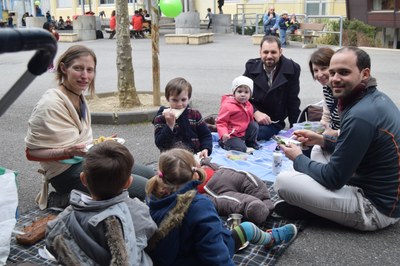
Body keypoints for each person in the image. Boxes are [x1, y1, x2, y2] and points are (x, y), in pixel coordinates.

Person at [274, 47, 400, 231]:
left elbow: (333, 179)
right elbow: (354, 146)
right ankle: (319, 205)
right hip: (369, 184)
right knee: (319, 148)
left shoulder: (361, 115)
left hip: (375, 209)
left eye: (344, 72)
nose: (334, 79)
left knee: (283, 182)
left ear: (365, 74)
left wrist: (298, 157)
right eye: (332, 72)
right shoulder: (371, 98)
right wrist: (321, 140)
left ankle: (318, 210)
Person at [25, 45, 155, 209]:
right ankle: (66, 197)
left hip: (88, 159)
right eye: (78, 68)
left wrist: (100, 143)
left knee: (151, 175)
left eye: (89, 70)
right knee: (147, 189)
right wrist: (68, 151)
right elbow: (31, 153)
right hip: (64, 173)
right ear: (64, 68)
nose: (85, 76)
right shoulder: (49, 104)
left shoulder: (78, 96)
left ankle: (79, 198)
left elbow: (77, 141)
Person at [146, 148, 297, 265]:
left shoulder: (152, 199)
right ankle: (270, 238)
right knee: (247, 229)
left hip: (174, 258)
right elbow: (215, 254)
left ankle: (269, 239)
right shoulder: (201, 207)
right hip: (197, 259)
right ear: (196, 173)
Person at [45, 141, 157, 265]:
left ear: (83, 179)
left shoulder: (64, 220)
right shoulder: (139, 211)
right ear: (129, 182)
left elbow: (52, 241)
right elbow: (151, 234)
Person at [146, 156, 274, 224]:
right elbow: (216, 203)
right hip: (217, 191)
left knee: (248, 178)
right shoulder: (196, 197)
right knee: (237, 202)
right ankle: (261, 209)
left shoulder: (198, 168)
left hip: (225, 173)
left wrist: (204, 161)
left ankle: (267, 202)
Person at [243, 35, 301, 141]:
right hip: (250, 115)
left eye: (273, 52)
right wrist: (255, 112)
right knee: (236, 128)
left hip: (273, 121)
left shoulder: (292, 69)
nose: (269, 56)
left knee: (259, 133)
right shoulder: (251, 67)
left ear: (280, 51)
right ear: (260, 52)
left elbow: (293, 101)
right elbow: (240, 95)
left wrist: (296, 130)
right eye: (265, 52)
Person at [153, 77, 212, 159]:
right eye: (174, 100)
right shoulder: (161, 117)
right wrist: (170, 125)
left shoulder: (195, 114)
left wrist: (206, 148)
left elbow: (205, 135)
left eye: (183, 100)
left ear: (189, 98)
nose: (179, 104)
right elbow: (160, 144)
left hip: (196, 157)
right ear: (167, 98)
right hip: (172, 161)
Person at [308, 47, 340, 161]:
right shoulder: (326, 88)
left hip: (344, 139)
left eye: (324, 68)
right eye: (316, 70)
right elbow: (327, 113)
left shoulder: (344, 89)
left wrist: (335, 133)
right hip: (331, 134)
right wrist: (322, 127)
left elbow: (355, 127)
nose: (319, 74)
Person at [216, 76, 260, 152]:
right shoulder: (228, 105)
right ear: (234, 93)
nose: (243, 94)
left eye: (246, 92)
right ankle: (225, 144)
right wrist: (224, 134)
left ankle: (250, 143)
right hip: (231, 136)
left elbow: (250, 120)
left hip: (242, 134)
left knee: (254, 125)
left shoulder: (249, 105)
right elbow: (221, 122)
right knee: (241, 148)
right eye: (239, 91)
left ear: (250, 94)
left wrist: (251, 133)